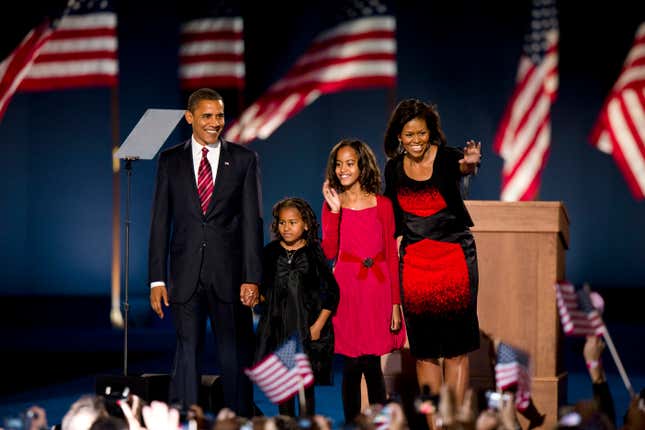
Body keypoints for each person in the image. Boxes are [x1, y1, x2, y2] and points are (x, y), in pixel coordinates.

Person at [148, 88, 263, 416]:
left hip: (229, 276)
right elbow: (160, 221)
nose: (215, 123)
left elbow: (251, 224)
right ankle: (185, 419)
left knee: (234, 355)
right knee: (187, 355)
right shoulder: (170, 160)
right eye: (207, 116)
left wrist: (252, 277)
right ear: (190, 117)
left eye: (220, 116)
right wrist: (156, 279)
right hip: (185, 276)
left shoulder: (243, 160)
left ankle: (240, 419)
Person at [382, 98, 482, 409]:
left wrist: (471, 164)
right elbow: (389, 218)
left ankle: (452, 421)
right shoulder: (394, 169)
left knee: (456, 350)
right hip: (414, 266)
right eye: (409, 135)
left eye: (421, 134)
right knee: (424, 352)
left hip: (455, 261)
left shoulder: (449, 158)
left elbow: (464, 167)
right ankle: (434, 423)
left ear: (431, 133)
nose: (415, 141)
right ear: (399, 136)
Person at [321, 138, 406, 424]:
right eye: (338, 164)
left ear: (362, 166)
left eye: (350, 163)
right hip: (347, 289)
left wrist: (395, 304)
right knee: (351, 363)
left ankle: (382, 424)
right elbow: (329, 251)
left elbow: (392, 258)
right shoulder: (333, 204)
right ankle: (352, 424)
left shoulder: (382, 205)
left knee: (371, 362)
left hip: (376, 289)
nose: (343, 169)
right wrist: (333, 212)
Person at [254, 197, 340, 417]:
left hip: (306, 332)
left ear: (306, 224)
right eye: (282, 223)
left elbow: (332, 292)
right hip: (278, 332)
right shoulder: (270, 252)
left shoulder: (314, 252)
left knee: (305, 390)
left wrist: (318, 325)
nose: (286, 228)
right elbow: (262, 290)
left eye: (293, 222)